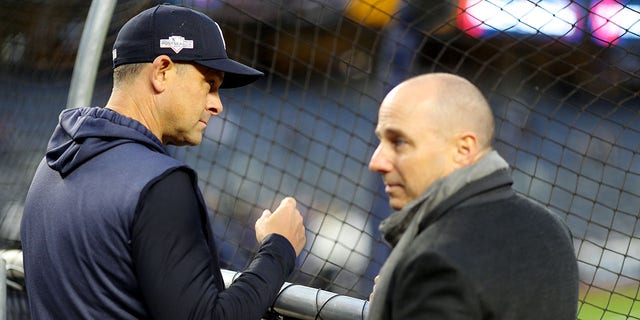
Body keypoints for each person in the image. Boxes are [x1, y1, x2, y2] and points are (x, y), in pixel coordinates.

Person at [20, 4, 306, 320]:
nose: (217, 105)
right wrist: (279, 248)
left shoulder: (51, 165)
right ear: (162, 71)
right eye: (209, 84)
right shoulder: (159, 182)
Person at [366, 73, 579, 319]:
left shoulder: (433, 259)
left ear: (464, 149)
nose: (377, 162)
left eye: (399, 142)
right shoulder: (552, 227)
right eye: (381, 141)